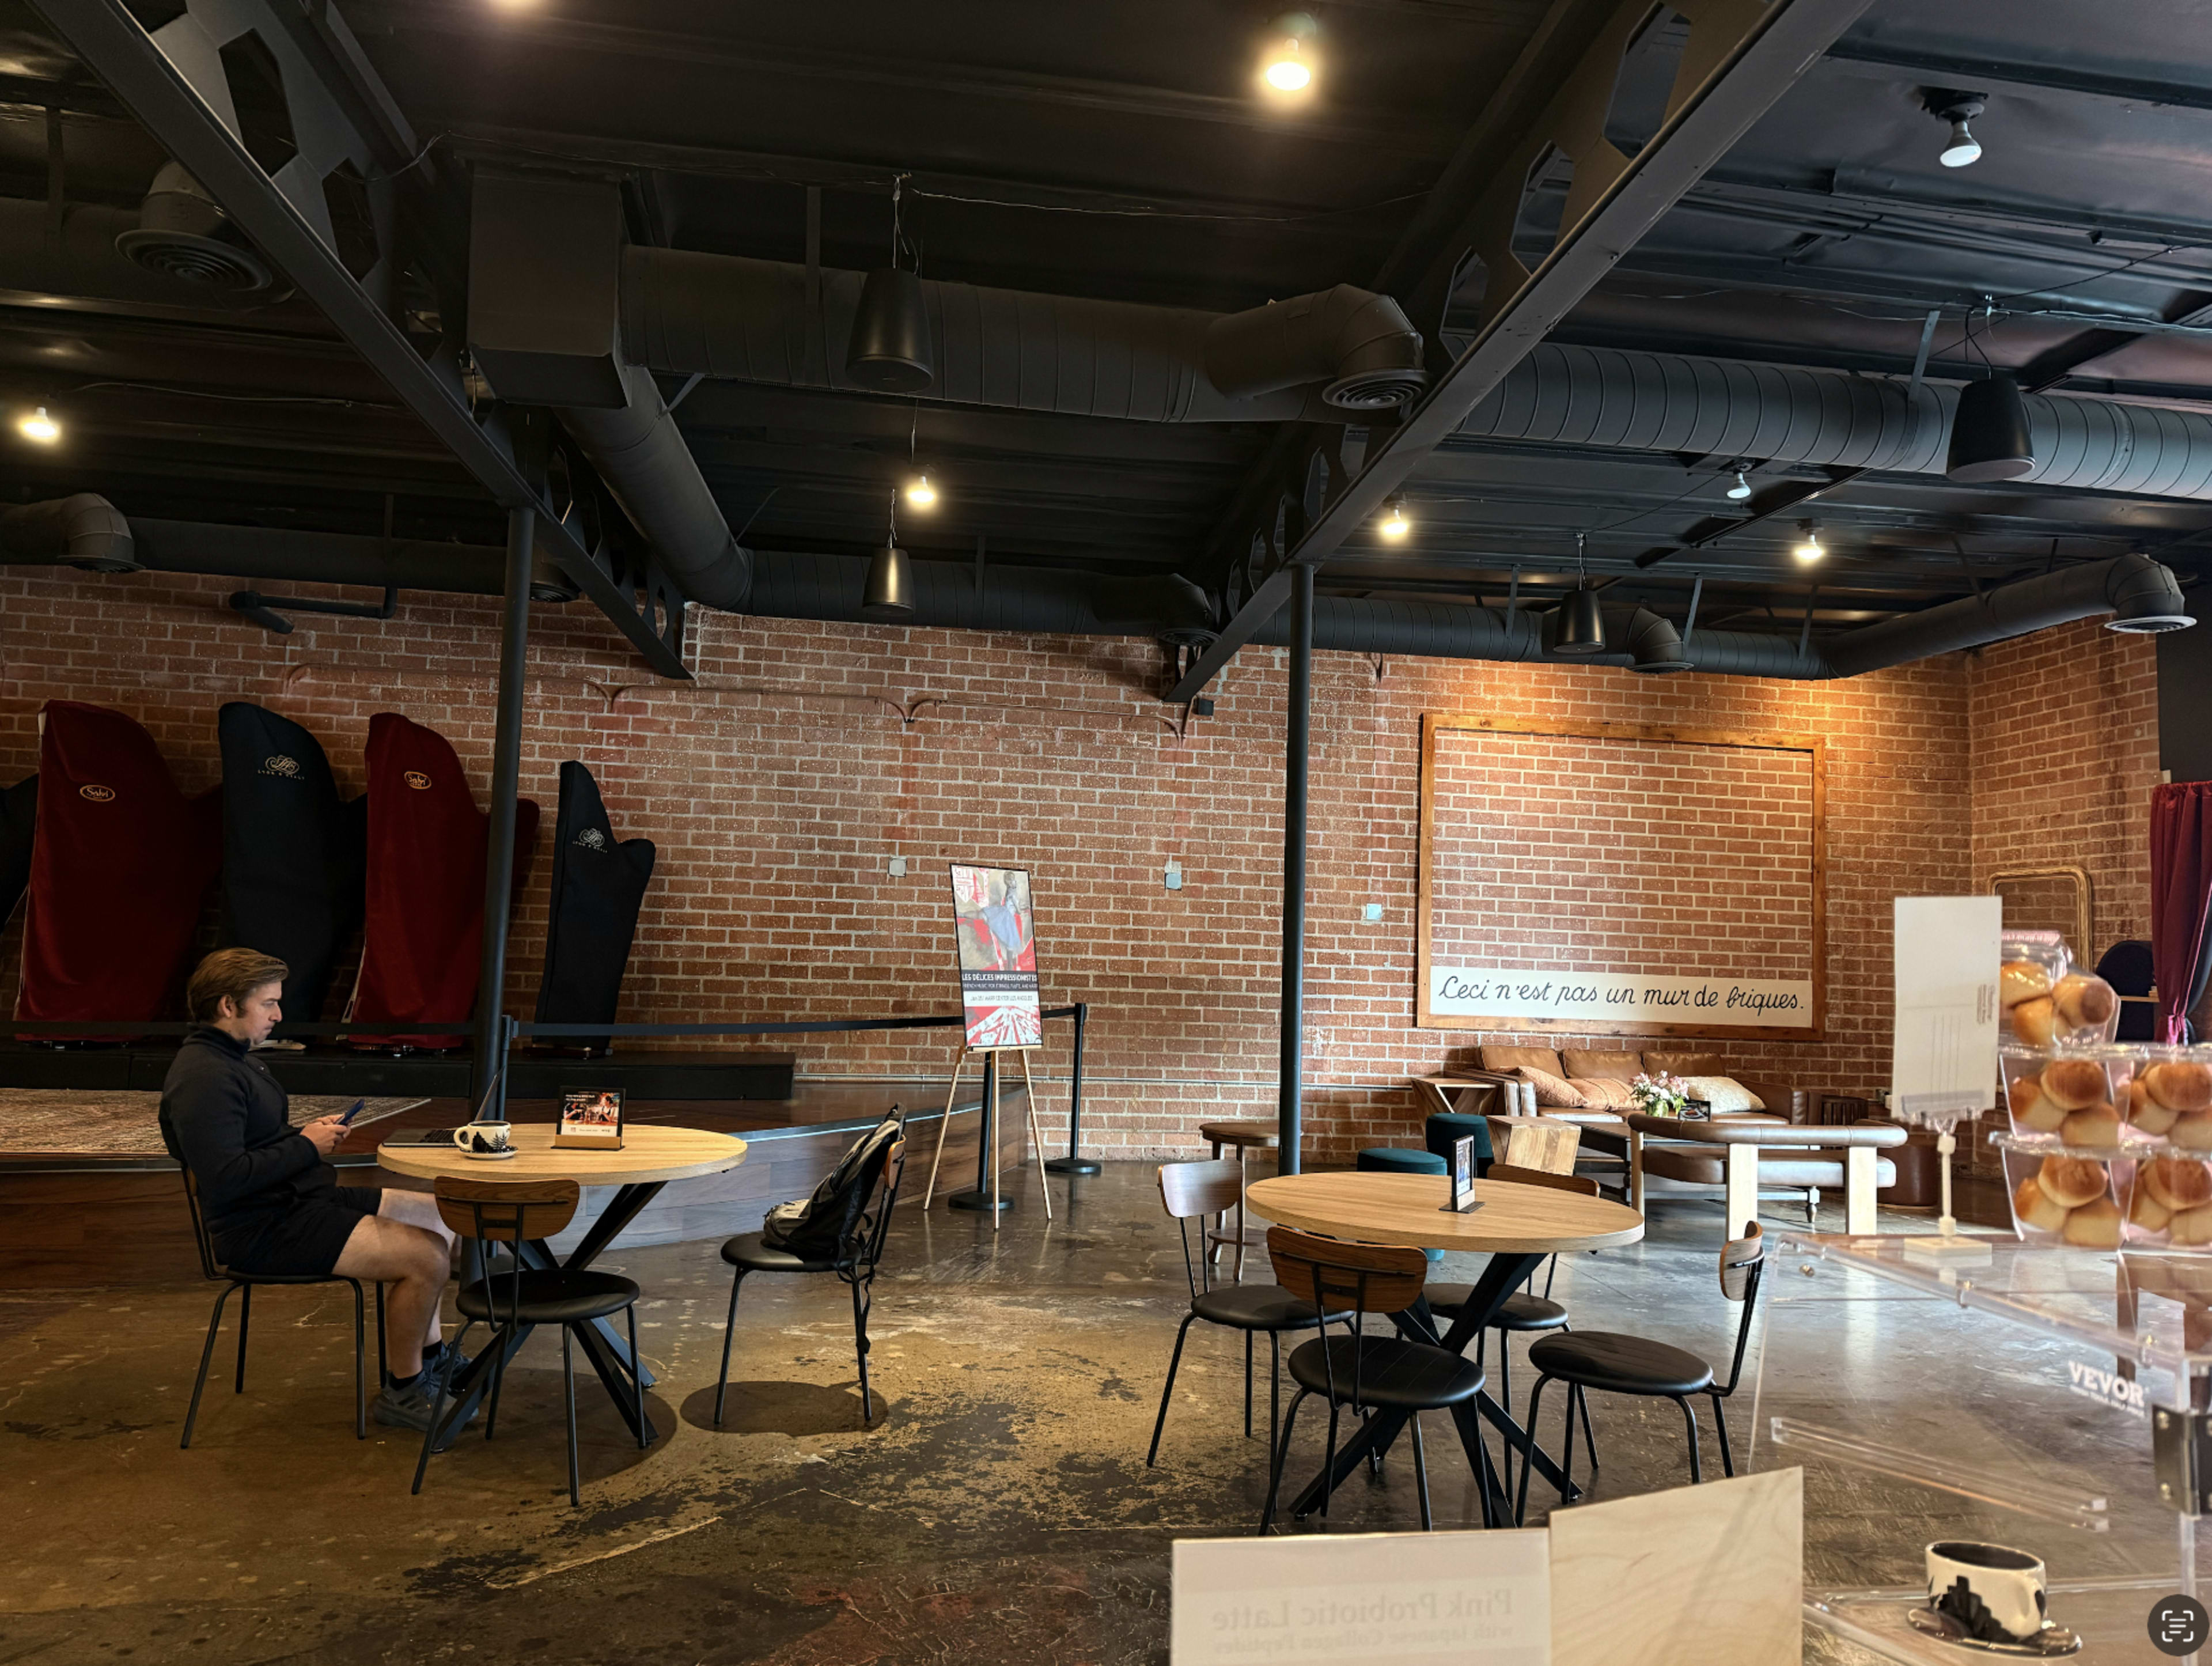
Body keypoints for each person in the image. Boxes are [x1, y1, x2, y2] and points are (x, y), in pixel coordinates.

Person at [160, 948, 463, 1432]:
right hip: (264, 1225)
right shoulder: (204, 1078)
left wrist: (304, 1132)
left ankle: (431, 1359)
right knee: (424, 1257)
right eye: (268, 1004)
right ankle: (404, 1393)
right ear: (227, 1006)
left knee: (444, 1218)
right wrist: (306, 1145)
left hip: (299, 1200)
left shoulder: (234, 1061)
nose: (279, 1016)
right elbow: (228, 1177)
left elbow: (254, 1140)